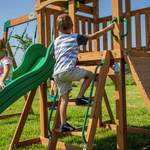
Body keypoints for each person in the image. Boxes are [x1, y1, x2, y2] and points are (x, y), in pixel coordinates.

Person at [53, 14, 114, 132]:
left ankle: (64, 124)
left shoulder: (56, 41)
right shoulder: (75, 37)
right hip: (67, 70)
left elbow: (55, 56)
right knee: (90, 75)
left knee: (64, 100)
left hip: (57, 73)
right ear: (71, 26)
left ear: (58, 28)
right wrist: (108, 28)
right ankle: (80, 97)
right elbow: (94, 36)